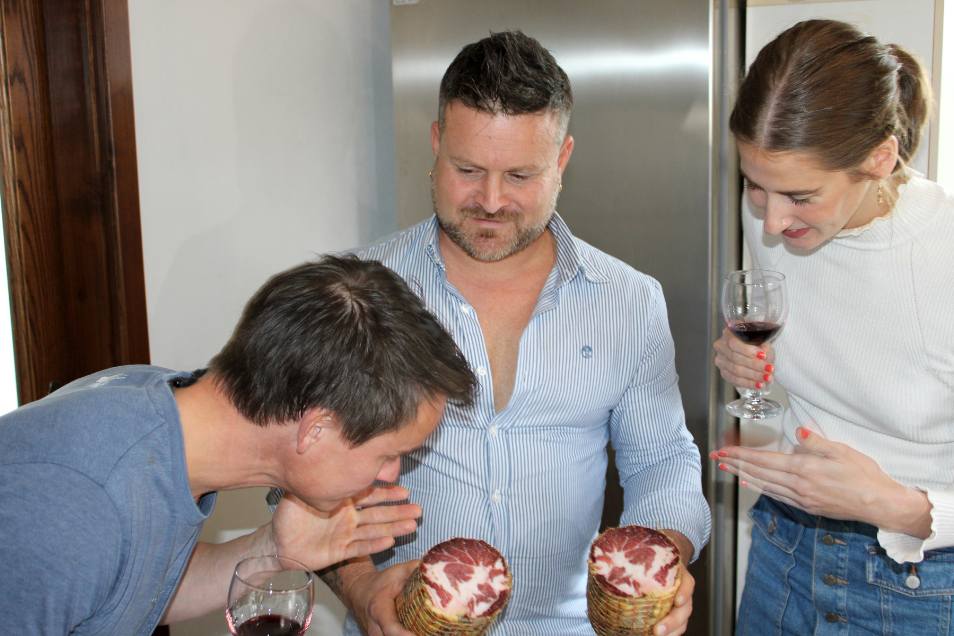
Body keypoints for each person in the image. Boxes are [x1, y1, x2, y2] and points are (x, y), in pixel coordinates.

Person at [316, 31, 710, 636]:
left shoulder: (629, 300)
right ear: (436, 143)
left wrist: (659, 561)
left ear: (562, 160)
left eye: (521, 175)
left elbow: (661, 462)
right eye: (468, 170)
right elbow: (302, 474)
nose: (492, 201)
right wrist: (363, 587)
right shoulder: (356, 293)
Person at [0, 254, 476, 635]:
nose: (391, 474)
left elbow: (126, 588)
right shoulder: (75, 503)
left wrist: (271, 549)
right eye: (389, 454)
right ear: (316, 429)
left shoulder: (168, 415)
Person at [711, 19, 954, 634]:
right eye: (755, 185)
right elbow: (811, 345)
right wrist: (749, 361)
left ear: (879, 159)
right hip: (784, 547)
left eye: (800, 196)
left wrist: (898, 506)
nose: (771, 222)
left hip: (917, 582)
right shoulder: (772, 214)